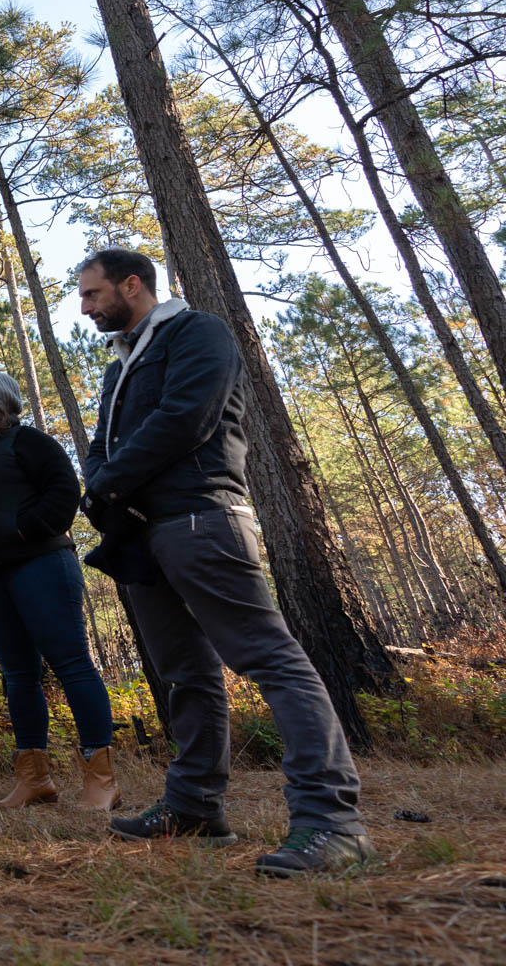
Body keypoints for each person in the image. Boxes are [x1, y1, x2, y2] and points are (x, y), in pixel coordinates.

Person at [77, 247, 373, 876]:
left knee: (271, 659)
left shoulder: (198, 332)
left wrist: (106, 485)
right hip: (142, 536)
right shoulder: (117, 367)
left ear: (133, 286)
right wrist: (100, 485)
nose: (86, 306)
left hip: (202, 519)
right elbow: (98, 443)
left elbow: (188, 417)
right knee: (184, 671)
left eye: (93, 293)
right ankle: (194, 807)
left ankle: (332, 821)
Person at [0, 368, 118, 811]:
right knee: (18, 675)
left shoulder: (28, 441)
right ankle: (34, 780)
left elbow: (64, 489)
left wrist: (27, 530)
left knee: (72, 664)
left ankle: (101, 780)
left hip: (41, 566)